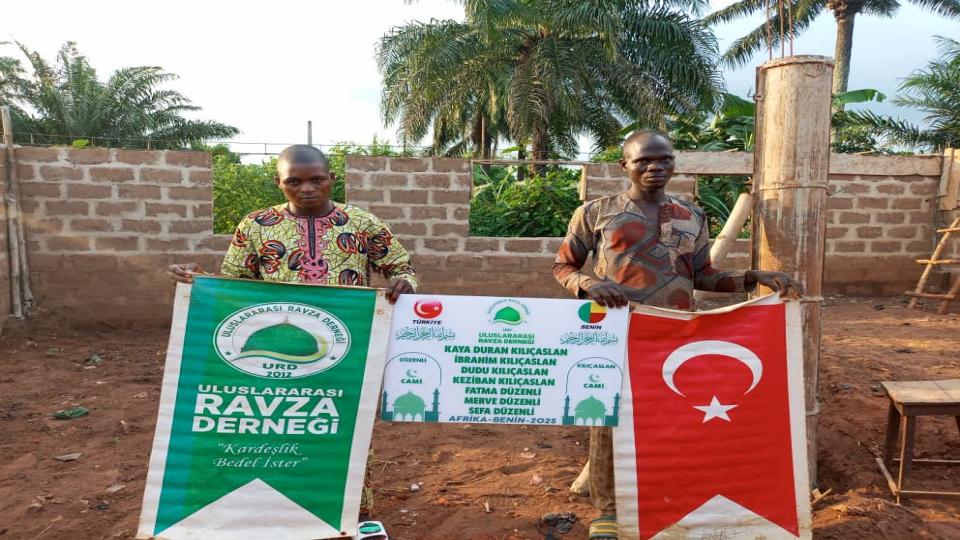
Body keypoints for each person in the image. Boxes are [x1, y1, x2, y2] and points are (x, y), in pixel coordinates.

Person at [553, 130, 802, 539]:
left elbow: (703, 276)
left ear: (674, 163)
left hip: (675, 333)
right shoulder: (596, 212)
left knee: (672, 414)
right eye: (644, 161)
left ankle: (666, 497)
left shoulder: (691, 216)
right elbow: (564, 267)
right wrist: (588, 285)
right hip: (617, 330)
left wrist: (754, 276)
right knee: (609, 418)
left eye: (664, 160)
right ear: (625, 166)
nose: (656, 168)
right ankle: (610, 509)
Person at [168, 144, 416, 537]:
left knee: (346, 427)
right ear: (279, 183)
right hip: (276, 352)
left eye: (316, 179)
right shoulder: (256, 226)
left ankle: (354, 514)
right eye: (294, 181)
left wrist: (403, 283)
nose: (306, 189)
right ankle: (279, 509)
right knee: (281, 423)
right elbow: (235, 285)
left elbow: (400, 266)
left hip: (347, 351)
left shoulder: (363, 223)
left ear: (331, 178)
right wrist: (200, 278)